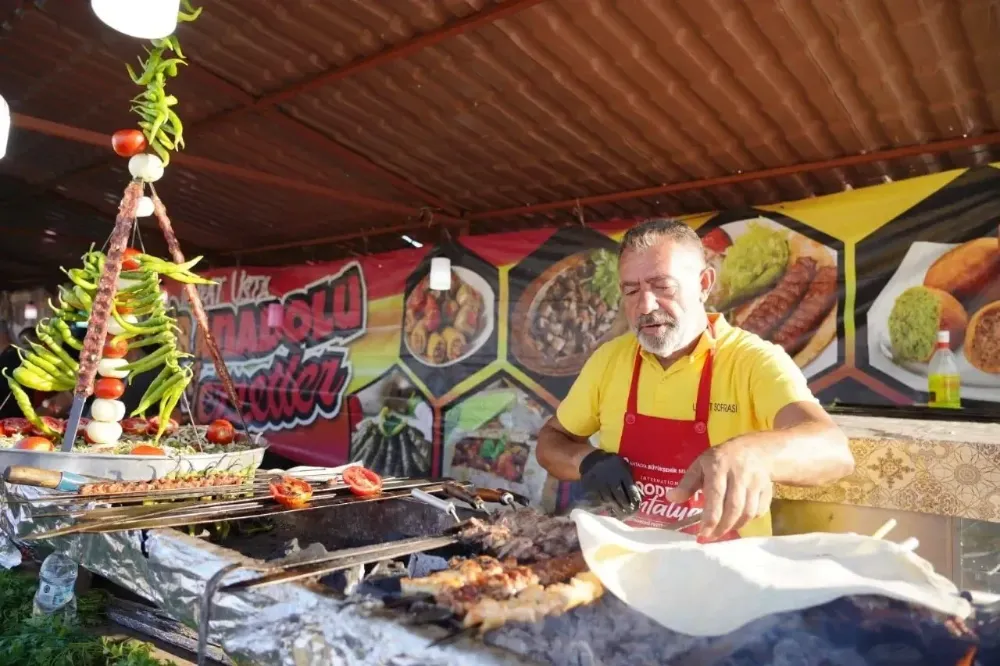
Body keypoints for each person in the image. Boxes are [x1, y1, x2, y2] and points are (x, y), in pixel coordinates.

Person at [536, 218, 854, 542]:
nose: (645, 305)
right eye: (631, 290)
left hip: (721, 563)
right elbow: (551, 441)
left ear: (704, 284)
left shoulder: (752, 360)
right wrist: (587, 460)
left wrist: (755, 453)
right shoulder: (609, 360)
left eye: (663, 286)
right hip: (622, 558)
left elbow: (834, 451)